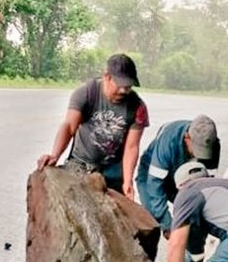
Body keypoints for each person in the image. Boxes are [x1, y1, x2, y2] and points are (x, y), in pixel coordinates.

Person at [35, 54, 148, 196]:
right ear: (107, 76)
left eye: (128, 86)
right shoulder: (87, 93)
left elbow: (131, 147)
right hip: (80, 164)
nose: (124, 91)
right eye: (120, 86)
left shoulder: (137, 107)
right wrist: (55, 155)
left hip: (113, 171)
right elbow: (70, 126)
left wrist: (128, 181)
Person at [136, 115, 220, 262]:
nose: (199, 156)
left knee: (198, 215)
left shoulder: (213, 144)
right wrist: (168, 226)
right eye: (196, 149)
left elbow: (205, 187)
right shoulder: (169, 140)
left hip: (187, 177)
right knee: (151, 219)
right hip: (152, 177)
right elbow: (154, 188)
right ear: (187, 137)